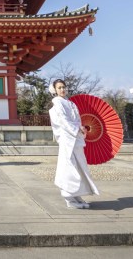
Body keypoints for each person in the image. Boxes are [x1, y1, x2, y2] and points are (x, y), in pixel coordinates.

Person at [48, 78, 99, 209]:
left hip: (76, 138)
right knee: (69, 166)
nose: (62, 89)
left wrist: (81, 128)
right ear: (55, 90)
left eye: (64, 87)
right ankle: (68, 196)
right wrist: (77, 129)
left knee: (80, 166)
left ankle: (76, 194)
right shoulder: (57, 103)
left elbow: (77, 120)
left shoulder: (71, 103)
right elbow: (63, 121)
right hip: (67, 138)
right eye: (59, 87)